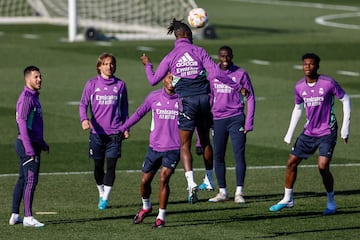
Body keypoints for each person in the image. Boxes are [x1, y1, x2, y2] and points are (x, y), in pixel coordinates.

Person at [140, 19, 240, 203]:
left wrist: (148, 65)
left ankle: (191, 182)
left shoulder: (171, 56)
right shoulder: (199, 51)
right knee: (204, 139)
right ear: (187, 35)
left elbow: (153, 80)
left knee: (184, 144)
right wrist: (235, 85)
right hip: (204, 101)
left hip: (187, 102)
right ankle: (209, 180)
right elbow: (216, 74)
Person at [269, 53, 351, 215]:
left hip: (327, 130)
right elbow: (298, 108)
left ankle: (331, 202)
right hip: (309, 131)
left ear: (317, 66)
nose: (307, 67)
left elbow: (346, 99)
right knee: (291, 162)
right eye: (305, 64)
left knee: (322, 166)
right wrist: (289, 133)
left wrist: (345, 129)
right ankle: (288, 198)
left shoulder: (328, 83)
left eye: (311, 64)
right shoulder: (299, 86)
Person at [119, 73, 180, 228]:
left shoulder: (183, 99)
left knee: (163, 179)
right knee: (145, 181)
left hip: (174, 148)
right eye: (169, 78)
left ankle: (161, 216)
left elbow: (194, 121)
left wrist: (200, 140)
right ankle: (146, 206)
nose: (172, 81)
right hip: (154, 147)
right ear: (163, 80)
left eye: (175, 78)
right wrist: (124, 127)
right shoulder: (154, 97)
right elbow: (139, 113)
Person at [79, 52, 129, 210]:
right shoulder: (91, 84)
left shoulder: (120, 85)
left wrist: (126, 126)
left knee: (112, 165)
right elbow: (83, 104)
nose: (109, 66)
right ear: (99, 66)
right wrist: (84, 119)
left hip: (115, 132)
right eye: (106, 64)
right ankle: (101, 191)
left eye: (112, 63)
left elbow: (124, 108)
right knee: (98, 167)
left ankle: (105, 198)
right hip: (97, 134)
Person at [208, 46, 255, 203]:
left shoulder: (241, 74)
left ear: (232, 56)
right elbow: (209, 96)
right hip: (218, 119)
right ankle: (222, 192)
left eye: (228, 56)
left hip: (236, 118)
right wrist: (208, 118)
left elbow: (250, 98)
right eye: (222, 56)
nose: (225, 59)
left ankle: (239, 192)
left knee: (238, 155)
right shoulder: (213, 73)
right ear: (218, 57)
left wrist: (249, 122)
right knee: (218, 155)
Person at [9, 66, 49, 227]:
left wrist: (42, 142)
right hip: (27, 146)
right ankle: (28, 217)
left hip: (32, 144)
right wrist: (30, 148)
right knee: (31, 181)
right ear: (27, 79)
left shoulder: (34, 97)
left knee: (22, 179)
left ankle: (14, 214)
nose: (39, 80)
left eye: (40, 76)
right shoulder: (27, 98)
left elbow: (34, 125)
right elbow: (22, 124)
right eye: (36, 77)